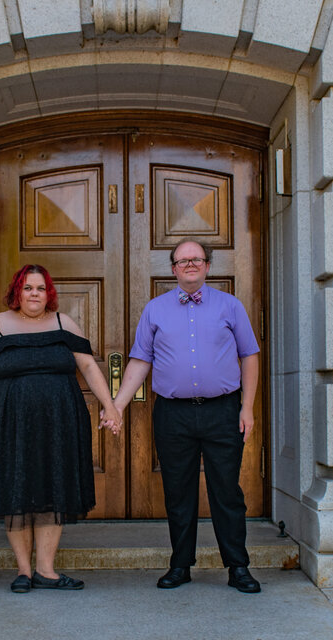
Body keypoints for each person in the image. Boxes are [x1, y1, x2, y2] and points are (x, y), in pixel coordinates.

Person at [102, 239, 262, 593]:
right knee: (178, 492)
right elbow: (140, 361)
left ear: (207, 266)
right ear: (173, 268)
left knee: (227, 492)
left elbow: (249, 355)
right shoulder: (155, 310)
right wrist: (117, 406)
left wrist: (247, 407)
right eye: (182, 260)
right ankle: (180, 565)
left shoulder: (230, 306)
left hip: (222, 411)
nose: (190, 265)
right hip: (172, 415)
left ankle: (238, 567)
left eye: (197, 259)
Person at [0, 264, 122, 593]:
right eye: (27, 288)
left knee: (53, 490)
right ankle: (23, 572)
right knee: (15, 491)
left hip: (59, 423)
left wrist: (110, 405)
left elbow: (87, 367)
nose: (34, 294)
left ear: (48, 293)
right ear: (17, 292)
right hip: (8, 423)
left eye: (40, 288)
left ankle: (46, 571)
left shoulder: (64, 324)